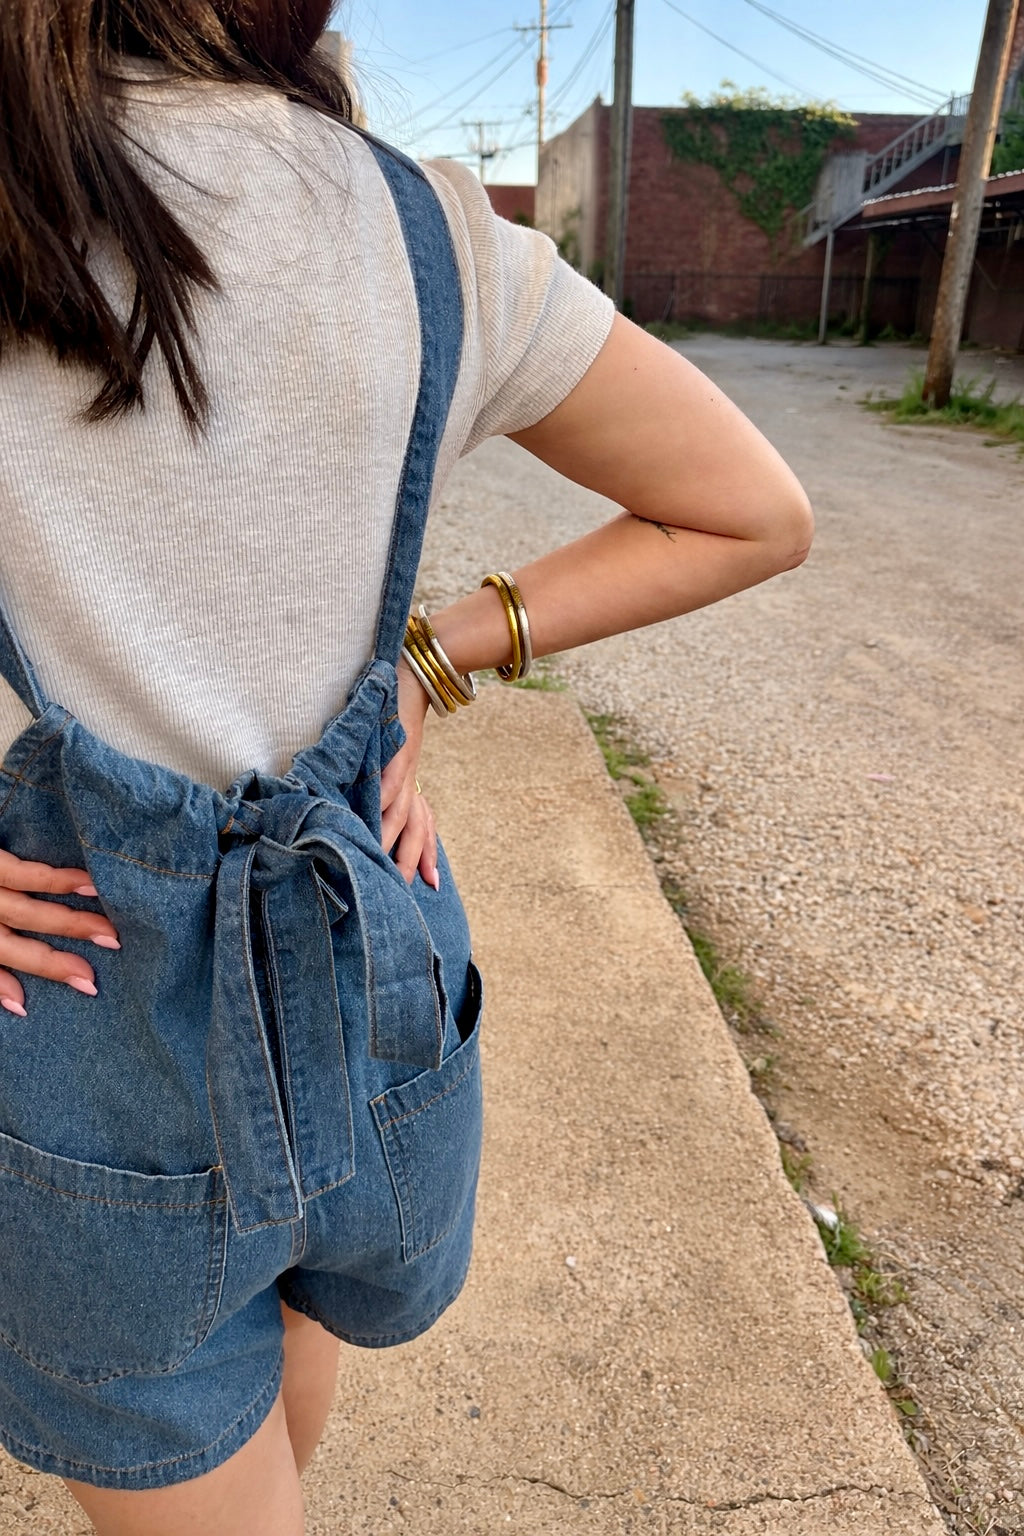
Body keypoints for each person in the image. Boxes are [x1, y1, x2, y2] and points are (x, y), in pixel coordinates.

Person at [0, 3, 813, 1532]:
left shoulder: (22, 196)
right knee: (300, 1359)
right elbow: (750, 509)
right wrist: (432, 657)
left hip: (90, 997)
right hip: (377, 949)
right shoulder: (431, 229)